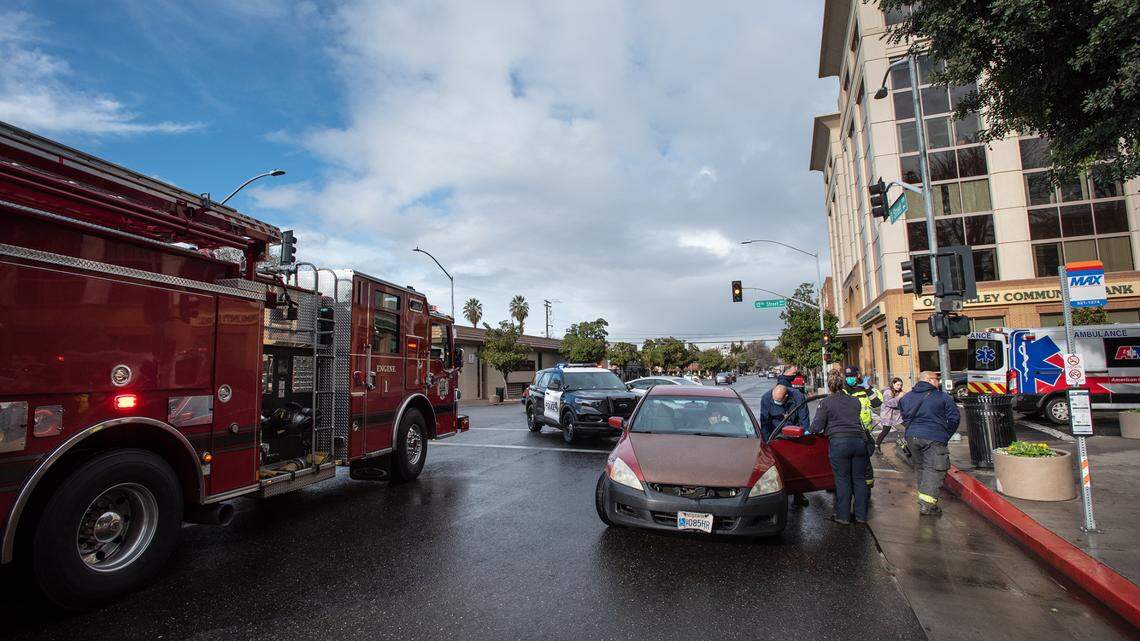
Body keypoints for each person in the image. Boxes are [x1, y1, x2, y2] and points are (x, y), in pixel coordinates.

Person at [809, 369, 870, 524]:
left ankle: (843, 516)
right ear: (842, 384)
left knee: (843, 480)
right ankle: (861, 515)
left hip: (839, 443)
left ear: (829, 386)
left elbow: (816, 427)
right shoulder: (854, 401)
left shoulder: (826, 403)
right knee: (859, 479)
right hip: (859, 442)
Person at [899, 370, 961, 516]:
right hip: (934, 437)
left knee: (921, 468)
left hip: (912, 437)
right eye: (936, 378)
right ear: (928, 380)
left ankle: (924, 500)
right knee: (934, 469)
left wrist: (913, 430)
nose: (938, 381)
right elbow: (954, 418)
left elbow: (904, 417)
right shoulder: (942, 397)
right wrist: (945, 434)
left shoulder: (906, 397)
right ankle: (927, 506)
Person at [758, 383, 811, 507]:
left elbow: (804, 420)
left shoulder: (798, 397)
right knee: (778, 467)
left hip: (795, 435)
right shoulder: (766, 399)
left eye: (780, 401)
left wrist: (805, 438)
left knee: (798, 465)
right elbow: (765, 424)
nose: (778, 404)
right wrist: (767, 443)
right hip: (776, 436)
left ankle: (799, 494)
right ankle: (776, 495)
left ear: (786, 396)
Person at [842, 366, 882, 488]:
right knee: (848, 462)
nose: (849, 379)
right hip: (848, 433)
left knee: (865, 463)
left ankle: (867, 487)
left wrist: (868, 389)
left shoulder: (866, 390)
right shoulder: (842, 392)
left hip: (864, 433)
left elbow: (877, 405)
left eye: (852, 376)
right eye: (847, 376)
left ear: (858, 376)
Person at [876, 377, 906, 452]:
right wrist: (899, 397)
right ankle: (877, 445)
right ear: (893, 384)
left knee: (908, 426)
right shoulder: (888, 392)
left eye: (901, 385)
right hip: (887, 415)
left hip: (897, 415)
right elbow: (889, 403)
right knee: (885, 430)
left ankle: (906, 443)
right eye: (897, 384)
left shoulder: (899, 391)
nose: (899, 386)